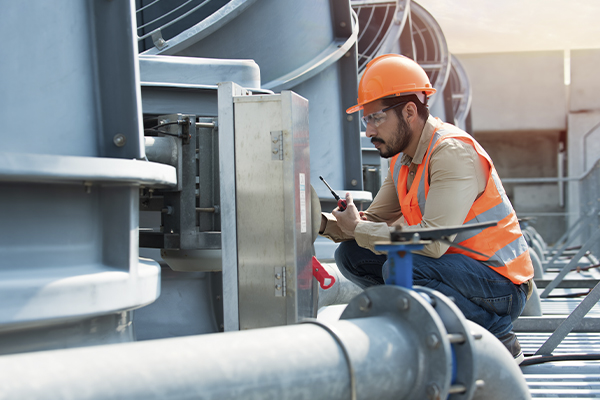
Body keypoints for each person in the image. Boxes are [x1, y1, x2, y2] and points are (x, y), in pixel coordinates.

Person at [319, 54, 534, 364]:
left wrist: (359, 228)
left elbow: (432, 243)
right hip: (452, 271)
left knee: (402, 266)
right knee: (351, 255)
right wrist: (320, 222)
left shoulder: (451, 152)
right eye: (366, 119)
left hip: (499, 284)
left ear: (409, 111)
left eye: (376, 117)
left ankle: (498, 335)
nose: (369, 131)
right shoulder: (402, 159)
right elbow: (372, 222)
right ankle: (416, 326)